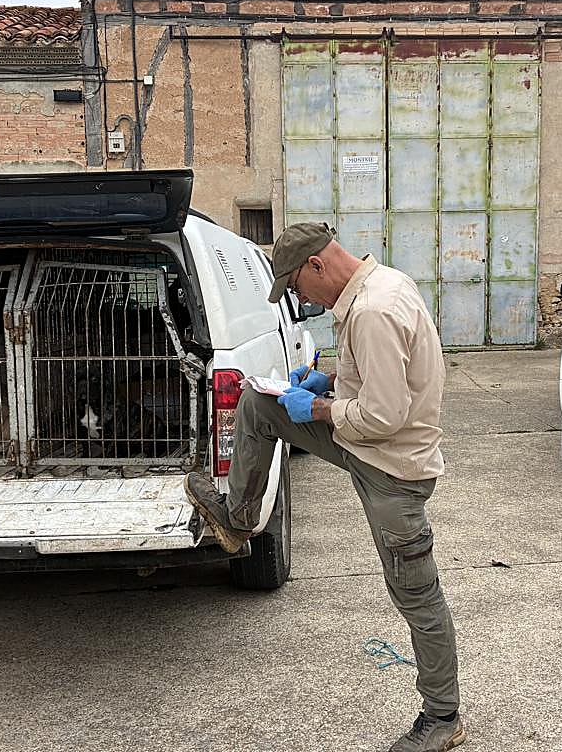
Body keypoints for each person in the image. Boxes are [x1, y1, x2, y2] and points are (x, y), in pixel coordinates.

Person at [184, 222, 464, 752]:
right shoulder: (378, 290)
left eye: (294, 287)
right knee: (259, 404)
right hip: (367, 447)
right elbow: (382, 382)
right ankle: (238, 518)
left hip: (392, 468)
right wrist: (330, 382)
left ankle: (443, 716)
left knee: (416, 594)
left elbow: (383, 415)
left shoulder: (374, 311)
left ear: (316, 265)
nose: (299, 299)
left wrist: (314, 407)